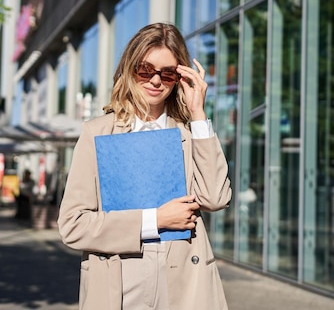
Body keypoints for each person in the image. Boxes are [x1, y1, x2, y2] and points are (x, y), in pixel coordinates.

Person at [57, 22, 232, 310]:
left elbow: (215, 198)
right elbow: (73, 225)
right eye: (145, 69)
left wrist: (198, 114)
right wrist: (155, 220)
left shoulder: (190, 134)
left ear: (180, 78)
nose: (155, 81)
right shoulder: (98, 133)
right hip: (119, 282)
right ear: (129, 68)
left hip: (184, 284)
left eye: (168, 73)